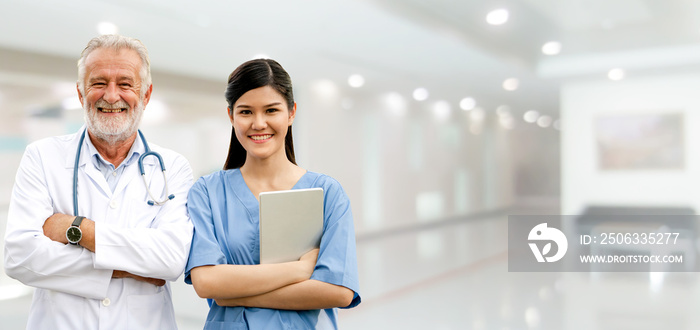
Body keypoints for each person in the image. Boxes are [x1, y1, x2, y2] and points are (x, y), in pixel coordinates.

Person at [3, 35, 194, 329]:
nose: (112, 95)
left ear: (146, 94)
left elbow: (170, 260)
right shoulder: (42, 157)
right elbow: (20, 255)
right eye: (99, 82)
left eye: (126, 84)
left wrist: (78, 229)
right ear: (81, 93)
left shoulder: (173, 167)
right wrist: (133, 267)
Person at [185, 58, 361, 329]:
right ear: (231, 116)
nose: (258, 123)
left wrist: (231, 295)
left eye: (271, 110)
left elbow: (338, 291)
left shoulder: (328, 194)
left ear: (291, 113)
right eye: (245, 112)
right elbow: (207, 282)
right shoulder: (207, 192)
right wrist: (300, 270)